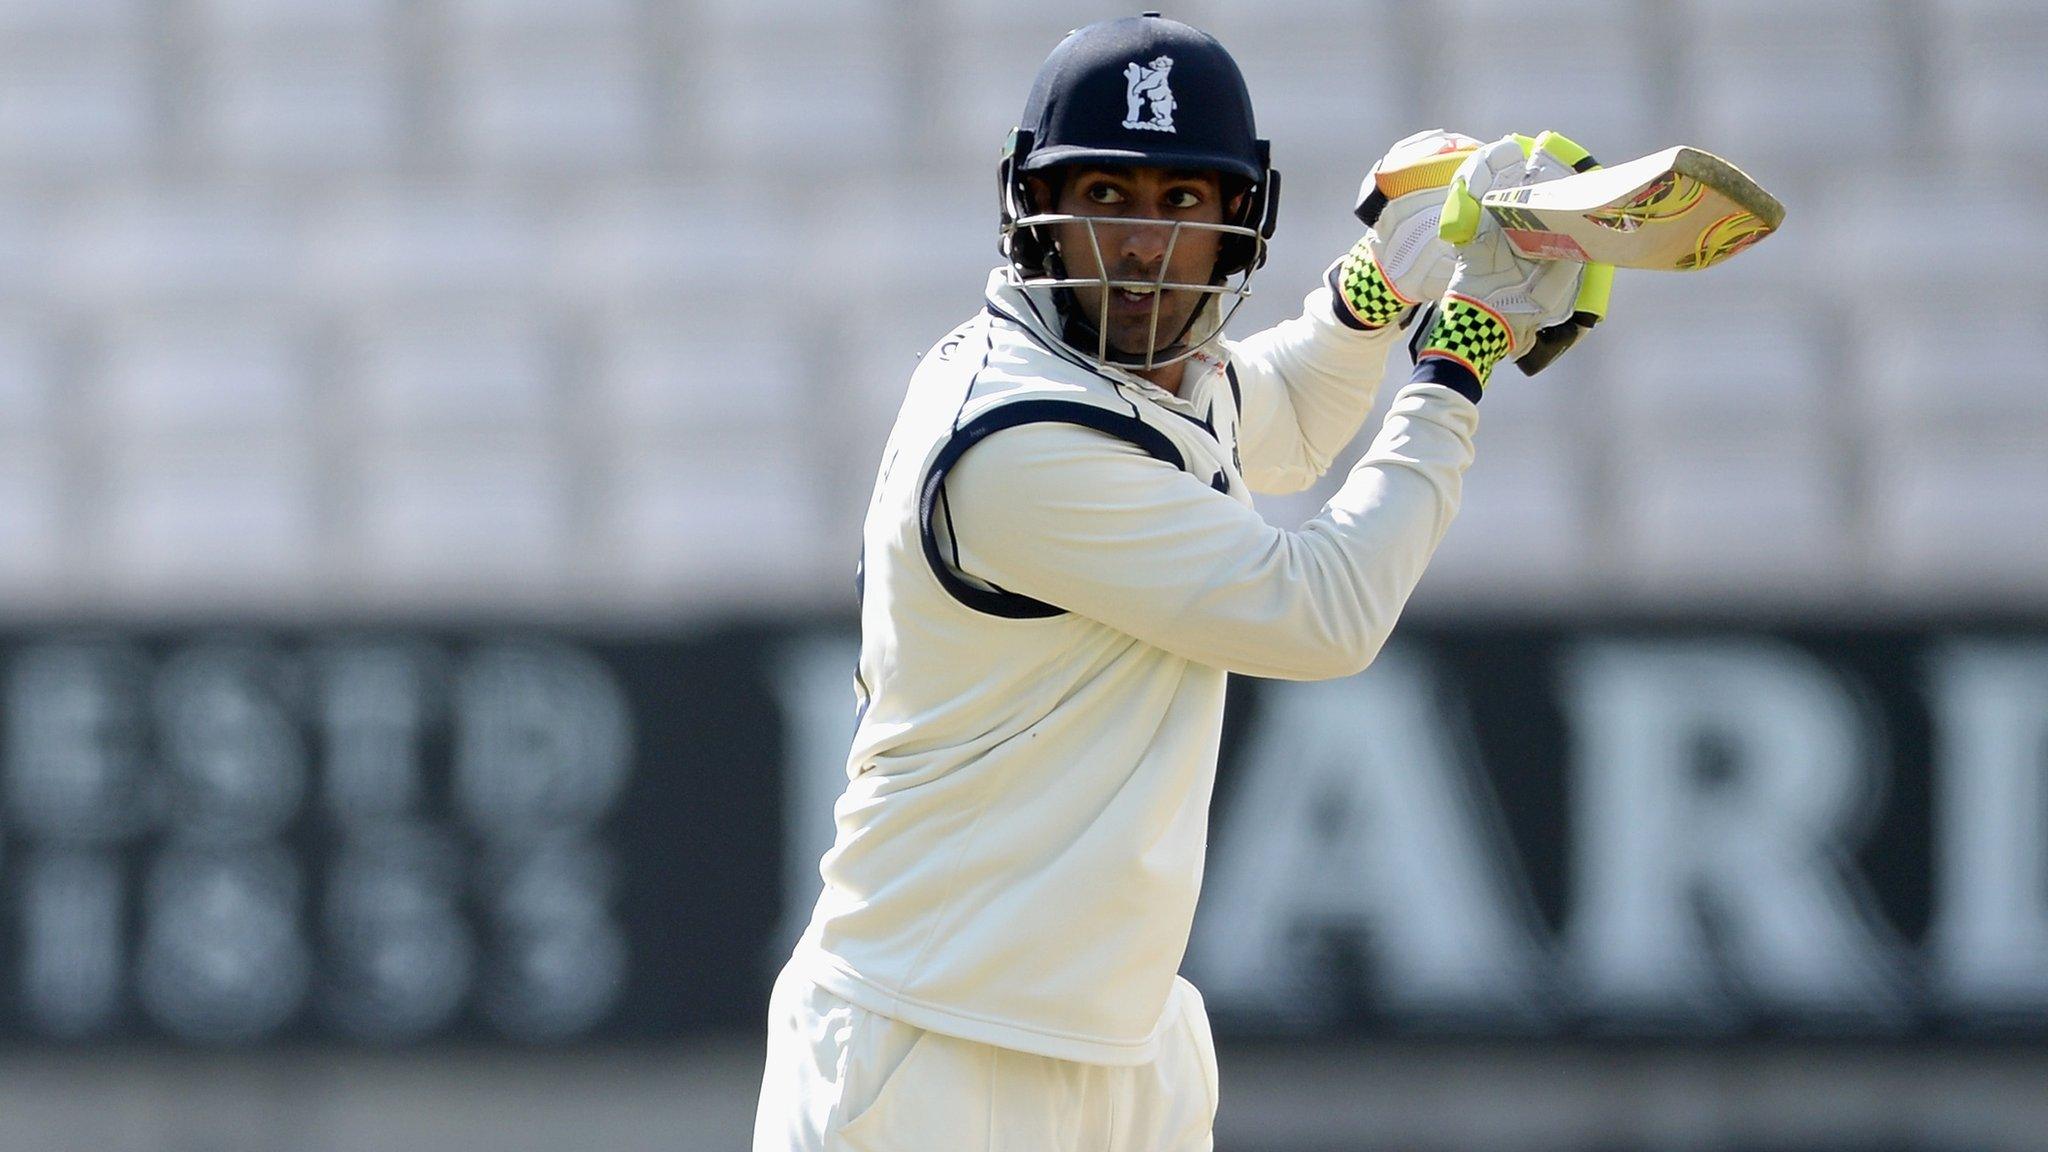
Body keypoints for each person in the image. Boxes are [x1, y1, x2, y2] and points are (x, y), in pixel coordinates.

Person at [754, 13, 1592, 1151]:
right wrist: (1457, 359)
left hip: (1123, 1039)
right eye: (1104, 194)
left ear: (1235, 224)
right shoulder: (1018, 444)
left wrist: (1374, 286)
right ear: (1031, 209)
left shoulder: (1128, 379)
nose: (1140, 246)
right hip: (934, 1047)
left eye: (1180, 204)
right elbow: (1320, 614)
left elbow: (1278, 426)